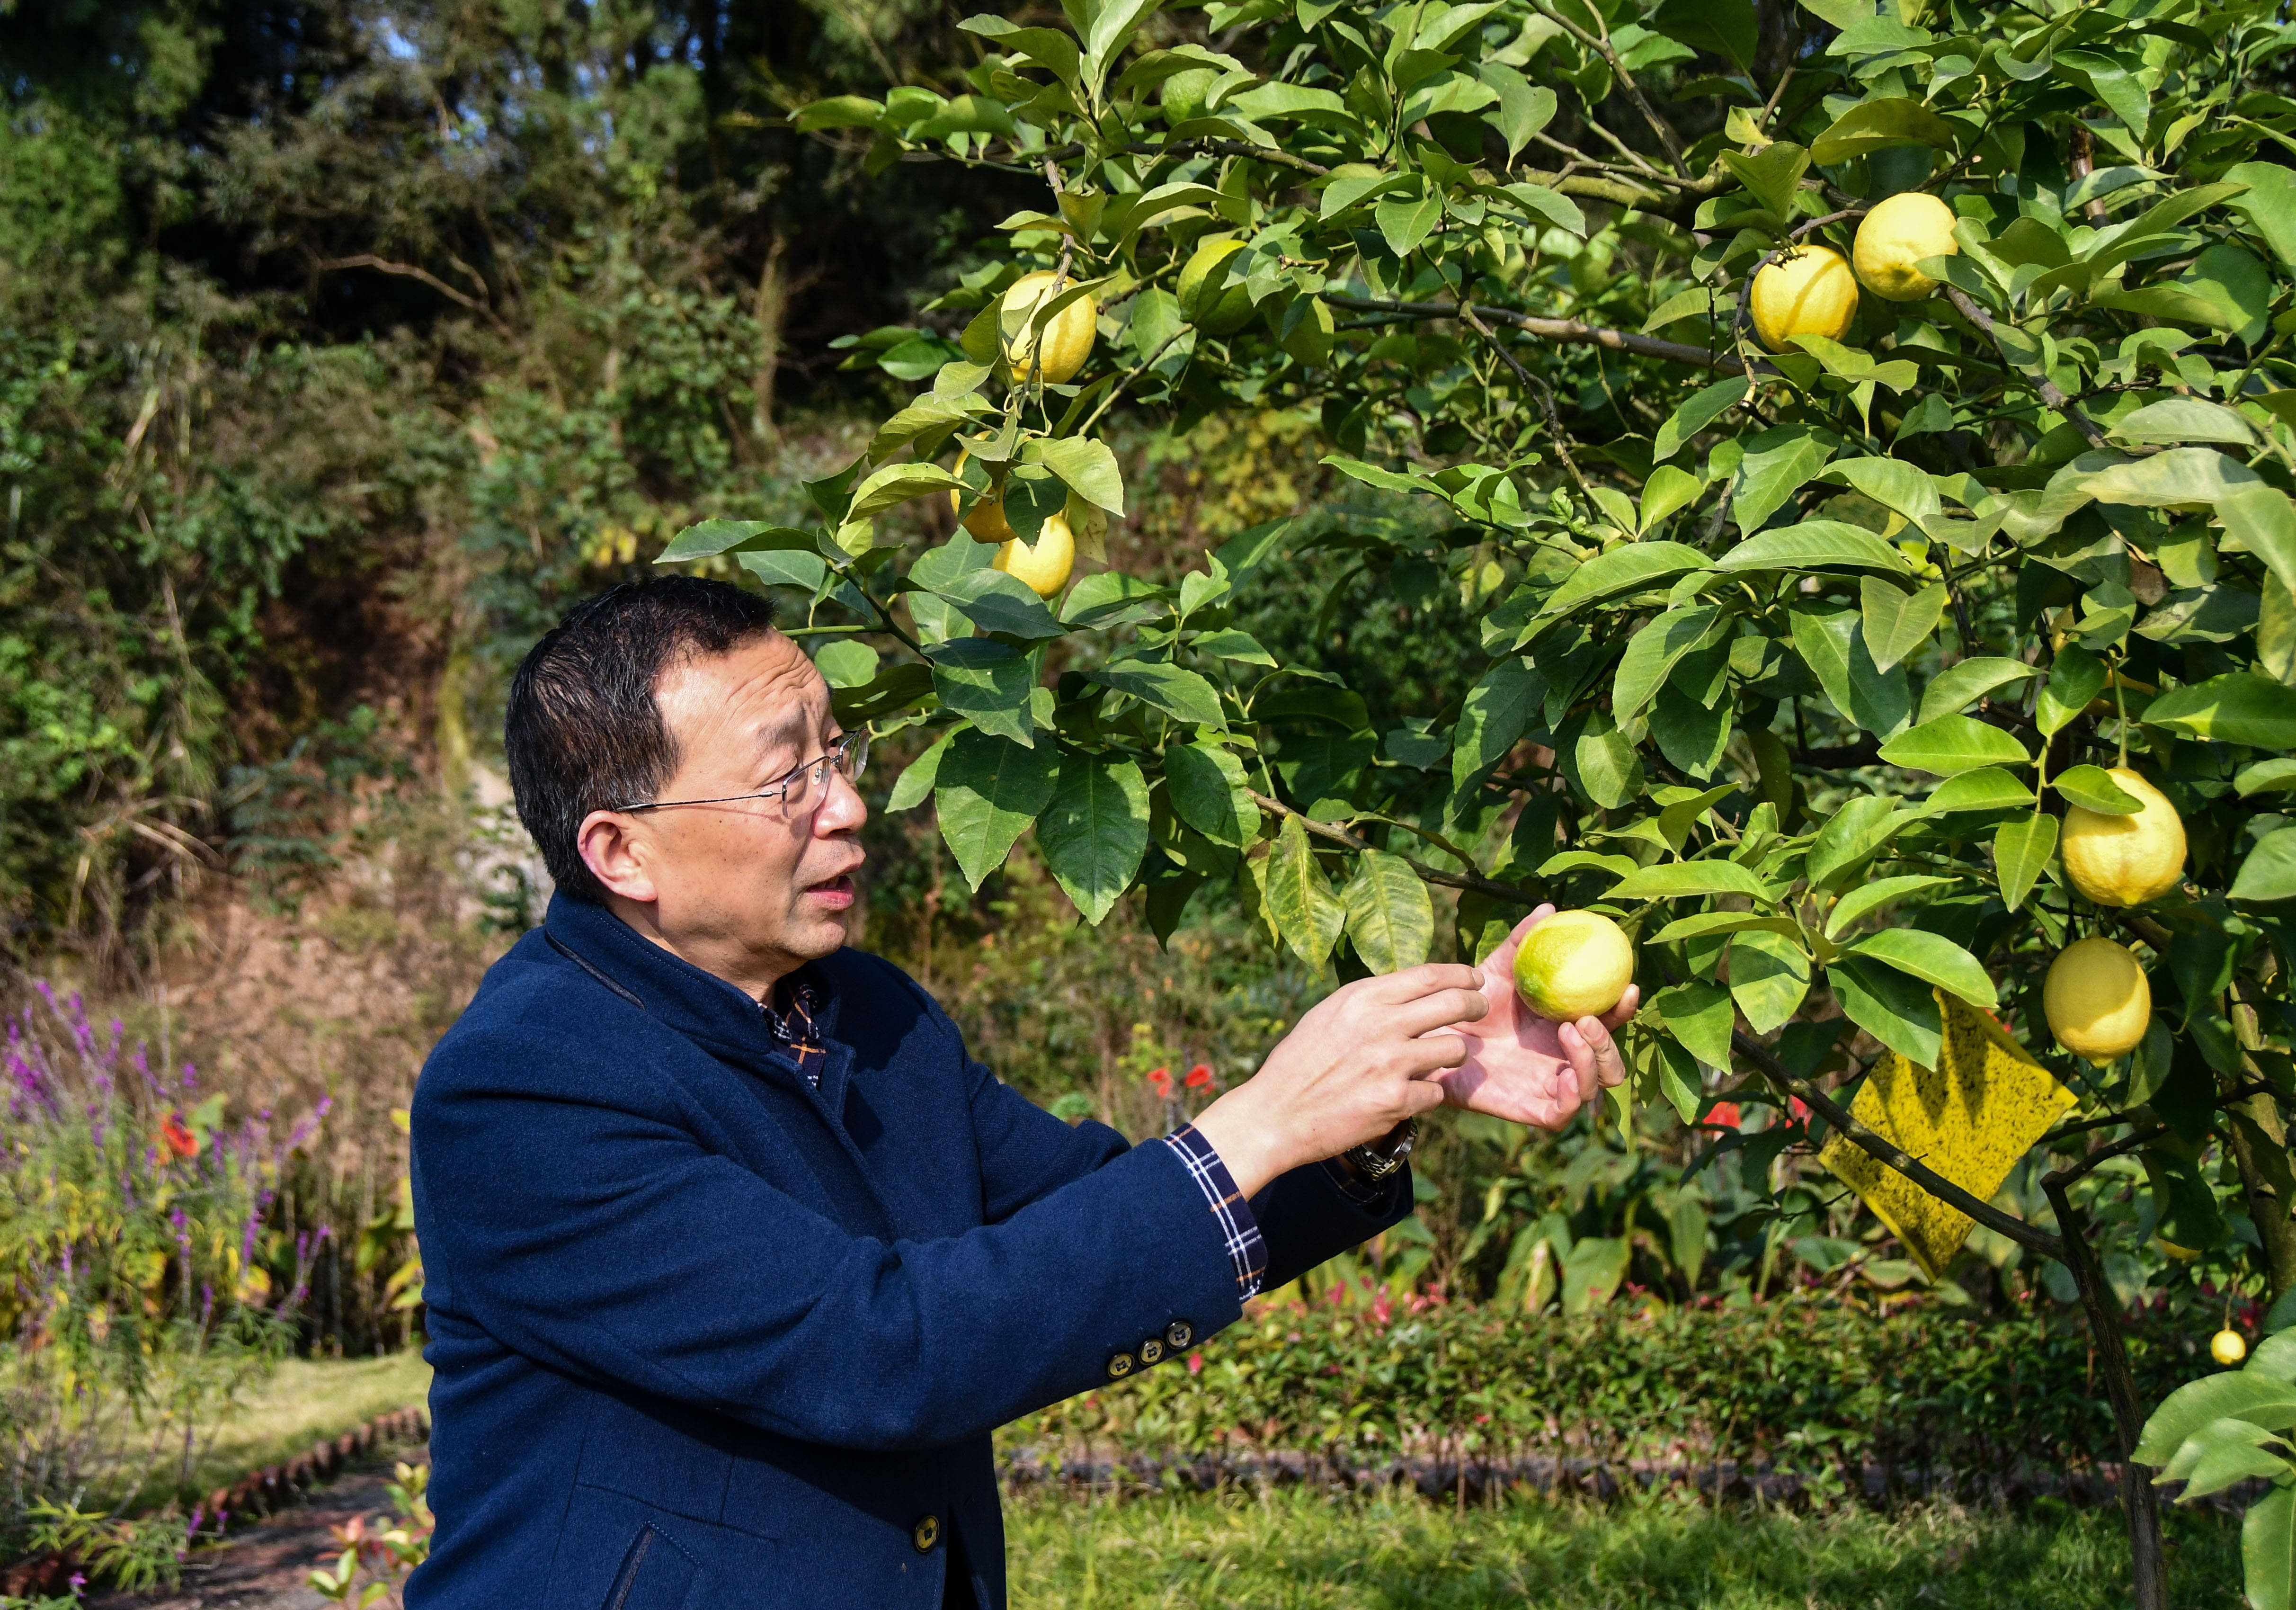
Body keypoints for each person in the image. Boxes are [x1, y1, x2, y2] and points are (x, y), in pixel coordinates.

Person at [407, 577, 1634, 1609]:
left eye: (837, 752)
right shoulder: (526, 1094)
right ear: (622, 852)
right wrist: (1257, 1116)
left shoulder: (868, 1013)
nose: (847, 805)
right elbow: (882, 1348)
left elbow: (1102, 1208)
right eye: (787, 779)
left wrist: (1392, 1099)